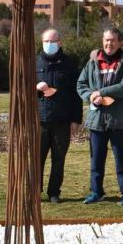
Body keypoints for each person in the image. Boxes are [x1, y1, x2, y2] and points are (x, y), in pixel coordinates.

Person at [77, 28, 123, 205]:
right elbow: (81, 84)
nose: (109, 44)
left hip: (119, 119)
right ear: (103, 41)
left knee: (122, 158)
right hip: (97, 119)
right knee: (96, 159)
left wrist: (100, 92)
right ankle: (96, 191)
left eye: (113, 40)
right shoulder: (93, 62)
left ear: (119, 42)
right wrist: (91, 96)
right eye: (106, 40)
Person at [36, 28, 82, 204]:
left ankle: (54, 192)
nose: (49, 45)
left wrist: (76, 120)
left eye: (53, 42)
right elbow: (24, 91)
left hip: (62, 121)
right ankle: (36, 191)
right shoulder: (35, 63)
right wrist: (36, 89)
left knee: (58, 159)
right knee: (37, 159)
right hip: (40, 121)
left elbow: (76, 94)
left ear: (60, 43)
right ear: (41, 42)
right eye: (46, 42)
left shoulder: (70, 64)